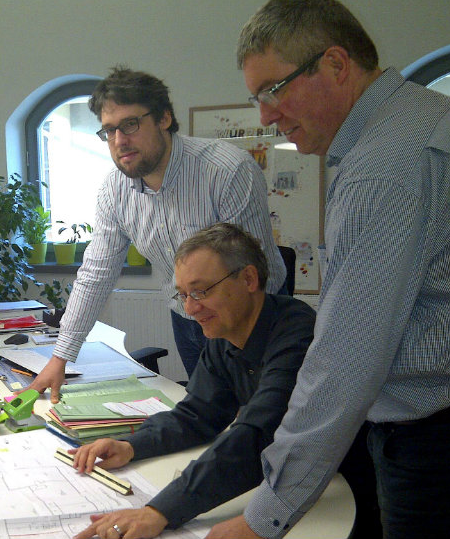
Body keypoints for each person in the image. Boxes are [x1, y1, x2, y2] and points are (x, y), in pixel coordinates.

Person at [205, 0, 450, 539]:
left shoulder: (384, 168)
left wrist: (262, 518)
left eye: (273, 90)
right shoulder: (426, 119)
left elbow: (347, 361)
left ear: (336, 64)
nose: (266, 115)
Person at [67, 224, 377, 539]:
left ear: (249, 279)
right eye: (184, 295)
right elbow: (198, 414)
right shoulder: (224, 334)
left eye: (201, 291)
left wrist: (160, 511)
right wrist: (131, 445)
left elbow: (257, 435)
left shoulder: (298, 333)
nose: (190, 308)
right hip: (299, 488)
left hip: (351, 490)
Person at [27, 66, 286, 401]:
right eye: (108, 131)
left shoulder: (227, 171)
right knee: (210, 416)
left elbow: (251, 277)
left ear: (164, 118)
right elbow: (97, 273)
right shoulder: (114, 191)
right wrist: (60, 358)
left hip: (251, 316)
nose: (120, 141)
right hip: (188, 318)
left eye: (130, 125)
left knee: (255, 422)